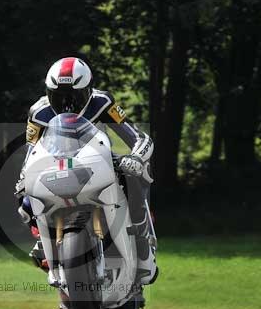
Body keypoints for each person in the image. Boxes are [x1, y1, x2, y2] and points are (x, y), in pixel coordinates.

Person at [14, 57, 158, 286]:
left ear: (88, 90)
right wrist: (23, 180)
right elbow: (30, 153)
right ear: (48, 93)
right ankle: (44, 241)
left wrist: (136, 157)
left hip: (98, 158)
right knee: (25, 204)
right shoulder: (38, 113)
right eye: (58, 97)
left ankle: (142, 247)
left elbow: (137, 136)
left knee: (134, 178)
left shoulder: (102, 102)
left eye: (74, 97)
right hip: (55, 164)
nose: (66, 104)